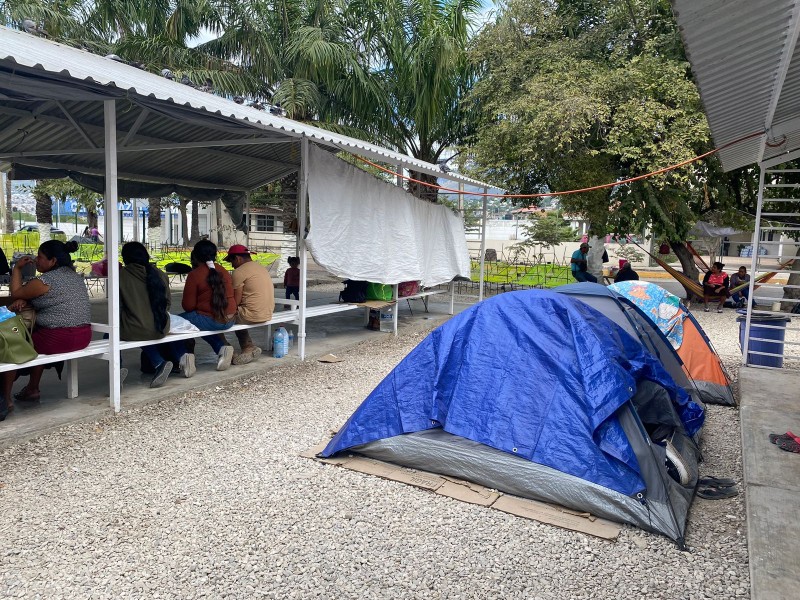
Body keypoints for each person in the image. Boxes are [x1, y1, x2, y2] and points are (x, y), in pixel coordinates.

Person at [2, 240, 91, 418]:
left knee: (13, 345)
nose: (36, 260)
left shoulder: (45, 280)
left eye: (41, 257)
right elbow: (50, 299)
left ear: (53, 261)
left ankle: (5, 399)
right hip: (83, 336)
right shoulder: (74, 276)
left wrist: (18, 269)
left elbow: (16, 293)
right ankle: (32, 388)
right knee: (35, 338)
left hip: (59, 338)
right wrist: (26, 299)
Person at [119, 242, 195, 387]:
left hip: (137, 328)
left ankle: (117, 370)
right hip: (162, 326)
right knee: (156, 327)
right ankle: (181, 357)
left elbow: (118, 307)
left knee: (111, 334)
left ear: (125, 258)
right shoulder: (159, 274)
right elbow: (168, 304)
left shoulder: (121, 275)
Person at [179, 239, 237, 371]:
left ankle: (184, 358)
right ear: (215, 255)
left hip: (213, 320)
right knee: (199, 323)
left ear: (195, 256)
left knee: (176, 323)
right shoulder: (224, 271)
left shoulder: (195, 275)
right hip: (231, 318)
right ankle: (222, 348)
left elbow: (188, 306)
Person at [223, 244, 275, 365]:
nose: (231, 265)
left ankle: (226, 349)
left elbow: (236, 302)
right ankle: (247, 347)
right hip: (268, 313)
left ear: (237, 258)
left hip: (252, 315)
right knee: (238, 312)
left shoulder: (239, 272)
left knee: (219, 318)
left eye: (231, 261)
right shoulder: (261, 267)